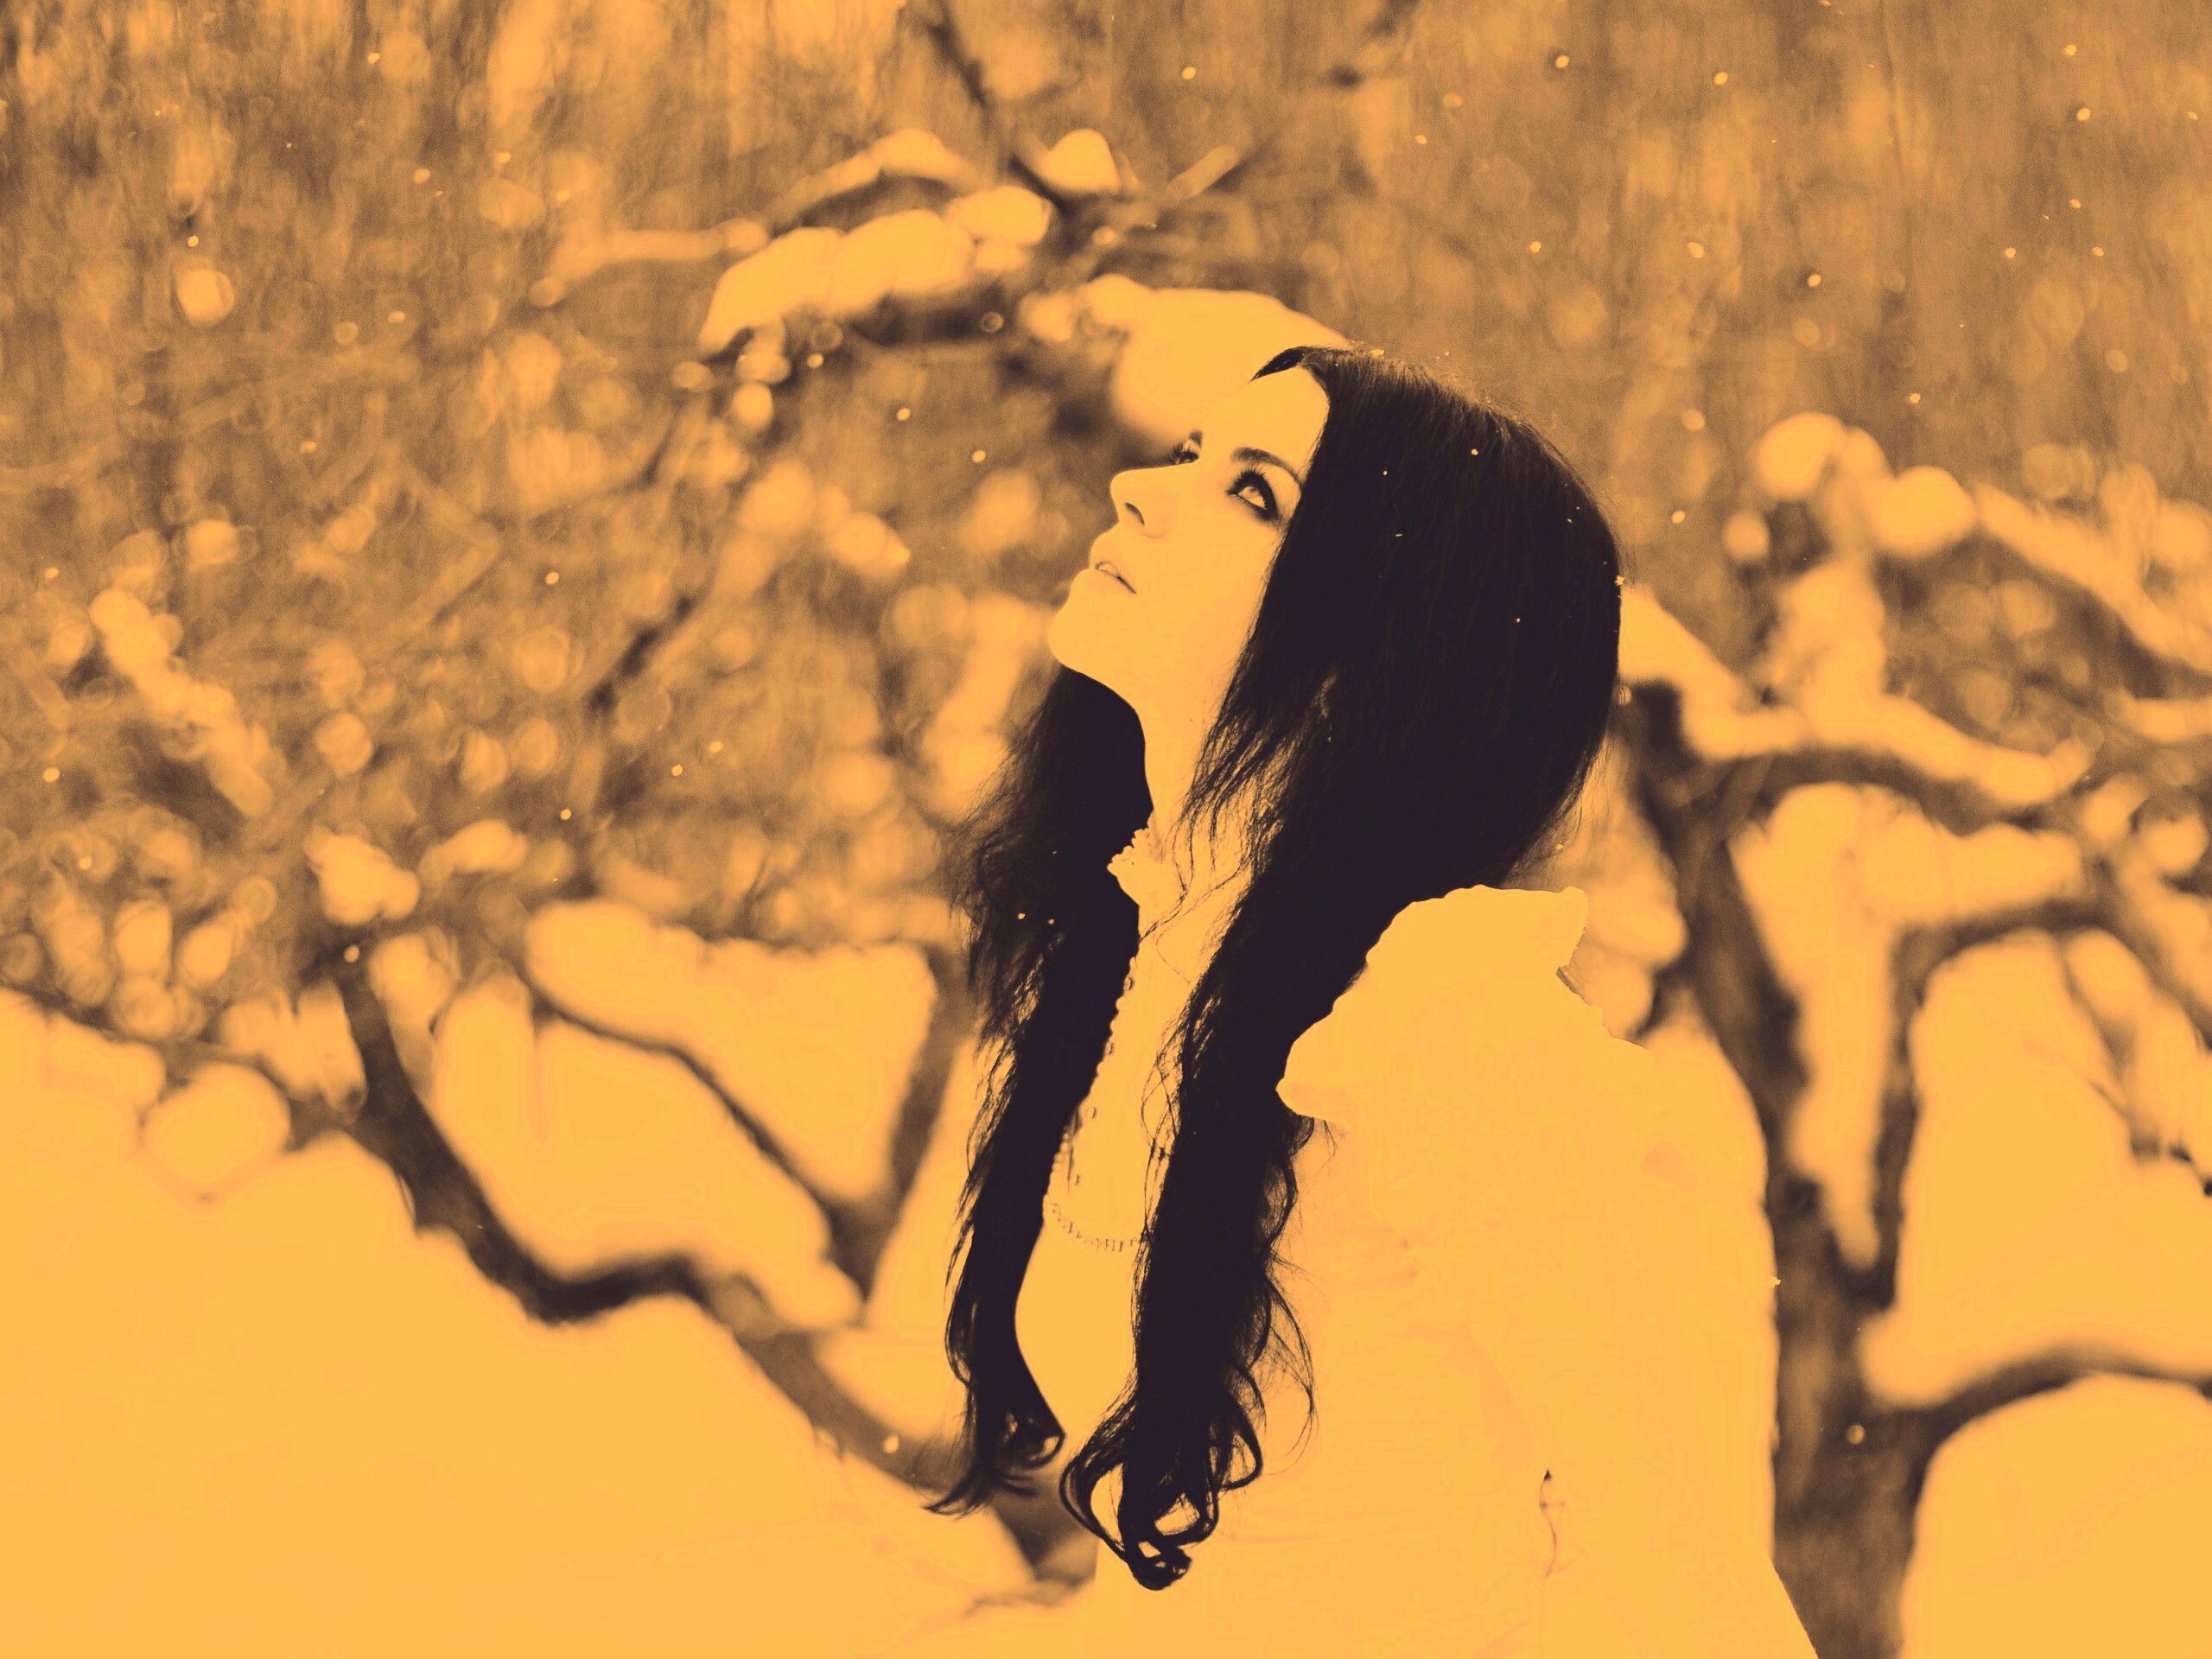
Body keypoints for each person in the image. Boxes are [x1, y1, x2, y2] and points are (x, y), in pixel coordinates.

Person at [896, 344, 1821, 1656]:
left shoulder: (1447, 1031)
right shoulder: (1151, 955)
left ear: (1369, 659)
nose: (1139, 491)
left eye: (1252, 492)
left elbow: (1687, 1583)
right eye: (1189, 454)